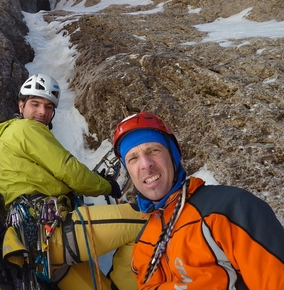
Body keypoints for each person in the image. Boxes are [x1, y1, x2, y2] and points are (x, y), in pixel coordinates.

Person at [112, 111, 284, 289]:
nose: (146, 164)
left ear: (173, 156)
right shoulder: (143, 243)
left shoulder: (230, 209)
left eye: (154, 150)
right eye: (133, 158)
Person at [0, 73, 121, 208]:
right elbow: (69, 170)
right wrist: (107, 187)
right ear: (21, 106)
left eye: (48, 107)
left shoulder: (13, 132)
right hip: (45, 213)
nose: (42, 111)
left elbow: (53, 181)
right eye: (35, 104)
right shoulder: (26, 129)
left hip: (33, 214)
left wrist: (95, 180)